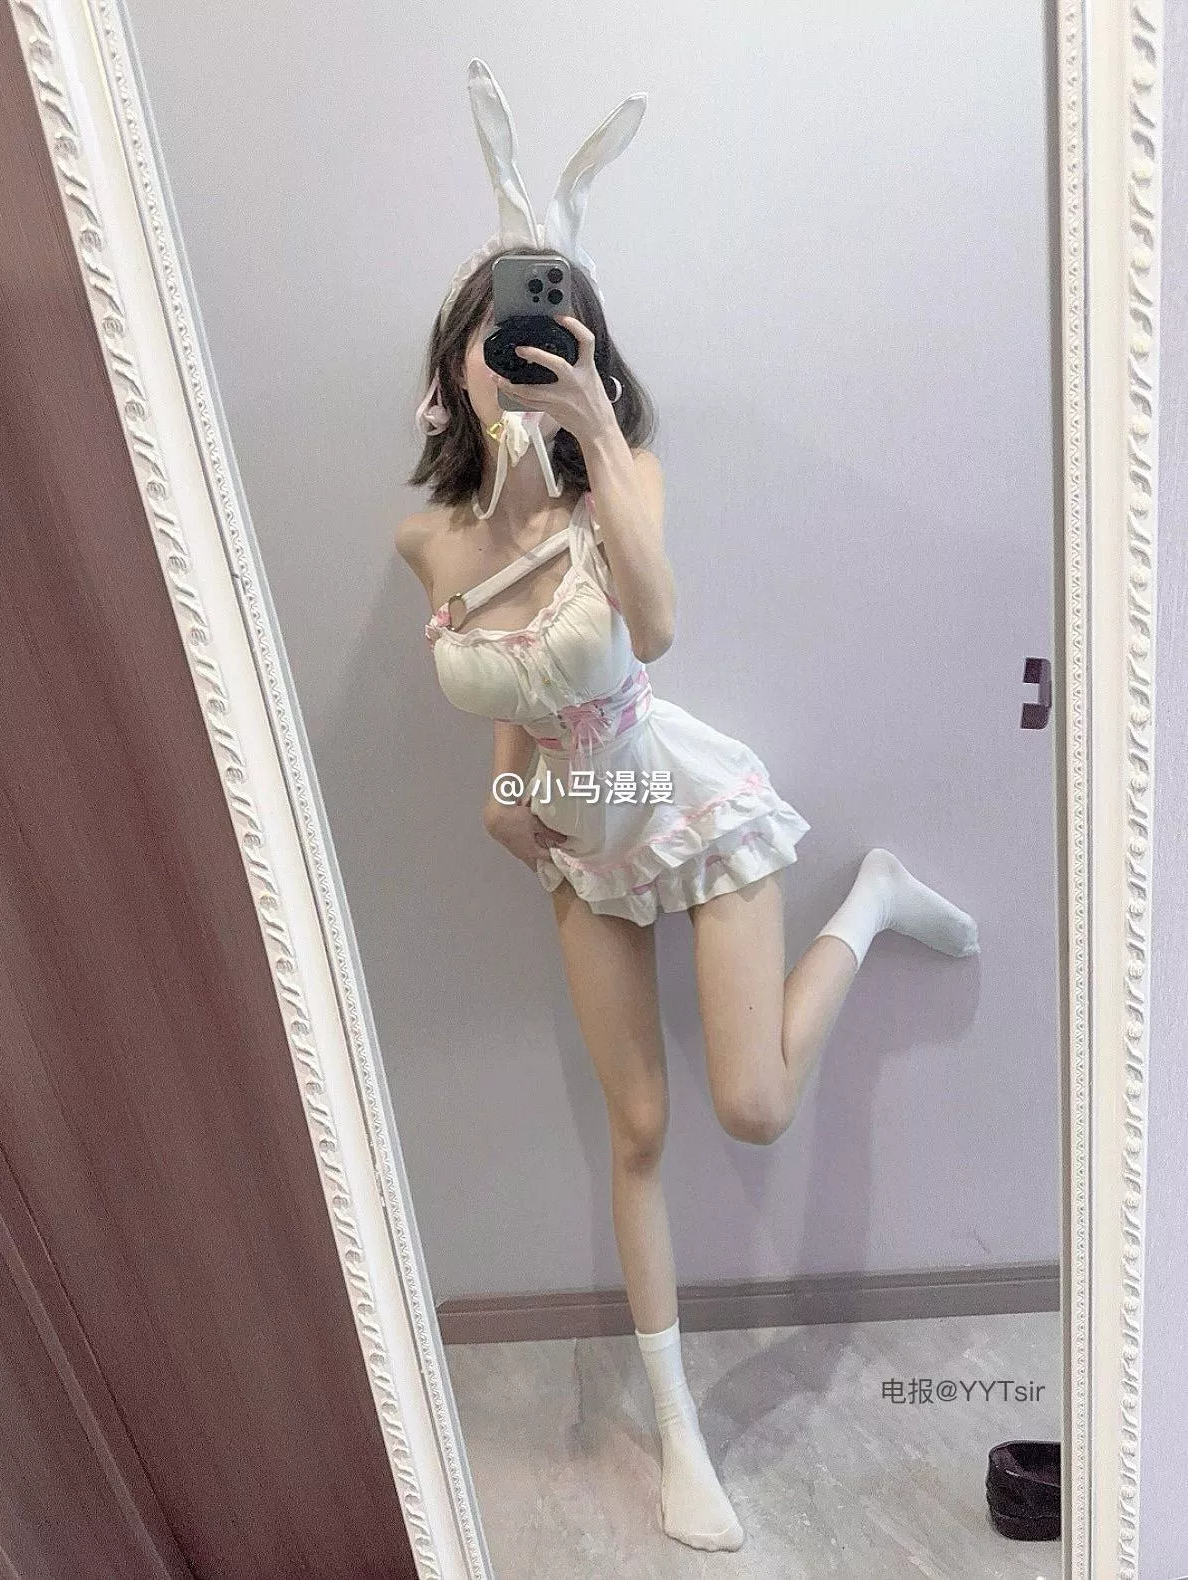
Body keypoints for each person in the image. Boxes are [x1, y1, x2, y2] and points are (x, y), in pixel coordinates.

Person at [396, 62, 979, 1556]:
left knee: (751, 1108)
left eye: (551, 335)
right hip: (576, 831)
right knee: (639, 1127)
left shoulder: (624, 476)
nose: (516, 358)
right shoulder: (430, 537)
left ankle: (868, 902)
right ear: (455, 358)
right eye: (494, 337)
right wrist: (503, 797)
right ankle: (676, 1438)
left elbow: (648, 632)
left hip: (683, 806)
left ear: (587, 350)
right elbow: (514, 685)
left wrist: (594, 434)